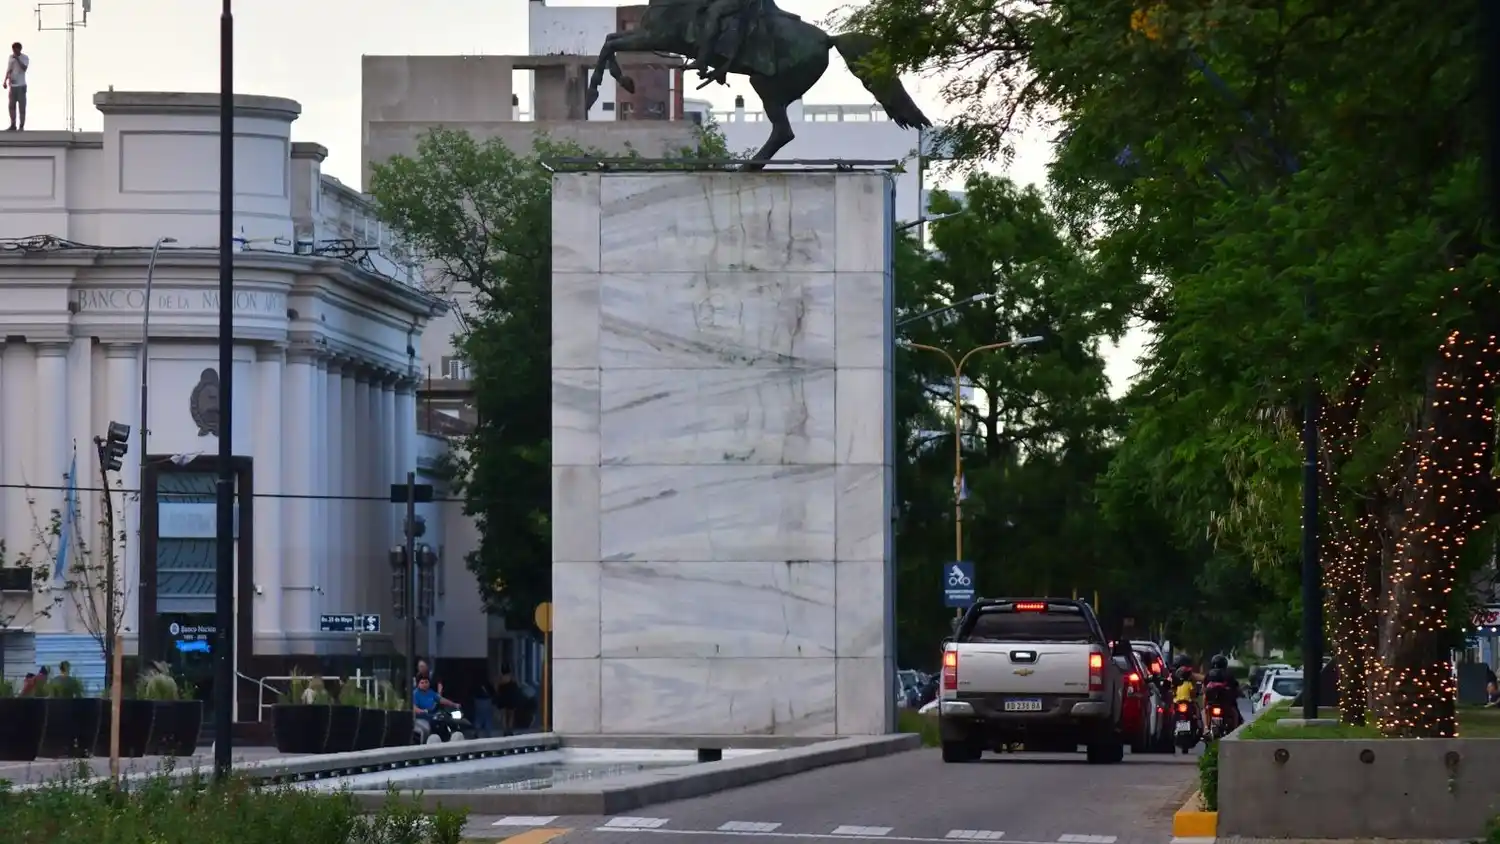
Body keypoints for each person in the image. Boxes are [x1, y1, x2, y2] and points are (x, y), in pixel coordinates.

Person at [411, 675, 456, 743]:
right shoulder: (415, 694)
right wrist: (422, 711)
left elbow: (441, 700)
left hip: (433, 714)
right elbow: (414, 708)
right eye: (422, 683)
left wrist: (454, 704)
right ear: (418, 684)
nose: (424, 684)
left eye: (426, 682)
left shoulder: (431, 692)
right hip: (422, 717)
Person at [1203, 654, 1242, 731]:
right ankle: (1235, 731)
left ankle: (1206, 727)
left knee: (1206, 710)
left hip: (1211, 703)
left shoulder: (1209, 674)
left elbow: (1204, 687)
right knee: (1235, 713)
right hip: (1226, 703)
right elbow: (1235, 687)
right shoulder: (1228, 674)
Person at [5, 42, 27, 132]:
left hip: (21, 85)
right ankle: (13, 124)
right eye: (13, 50)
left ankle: (21, 126)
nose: (14, 51)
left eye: (15, 49)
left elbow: (24, 68)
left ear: (19, 49)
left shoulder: (24, 57)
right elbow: (9, 69)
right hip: (12, 85)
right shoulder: (11, 57)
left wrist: (17, 59)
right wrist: (5, 80)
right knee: (11, 106)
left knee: (22, 106)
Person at [495, 666, 523, 736]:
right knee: (511, 715)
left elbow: (497, 689)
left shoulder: (500, 679)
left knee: (504, 715)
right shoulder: (512, 678)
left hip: (503, 698)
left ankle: (505, 731)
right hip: (511, 698)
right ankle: (510, 730)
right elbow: (517, 686)